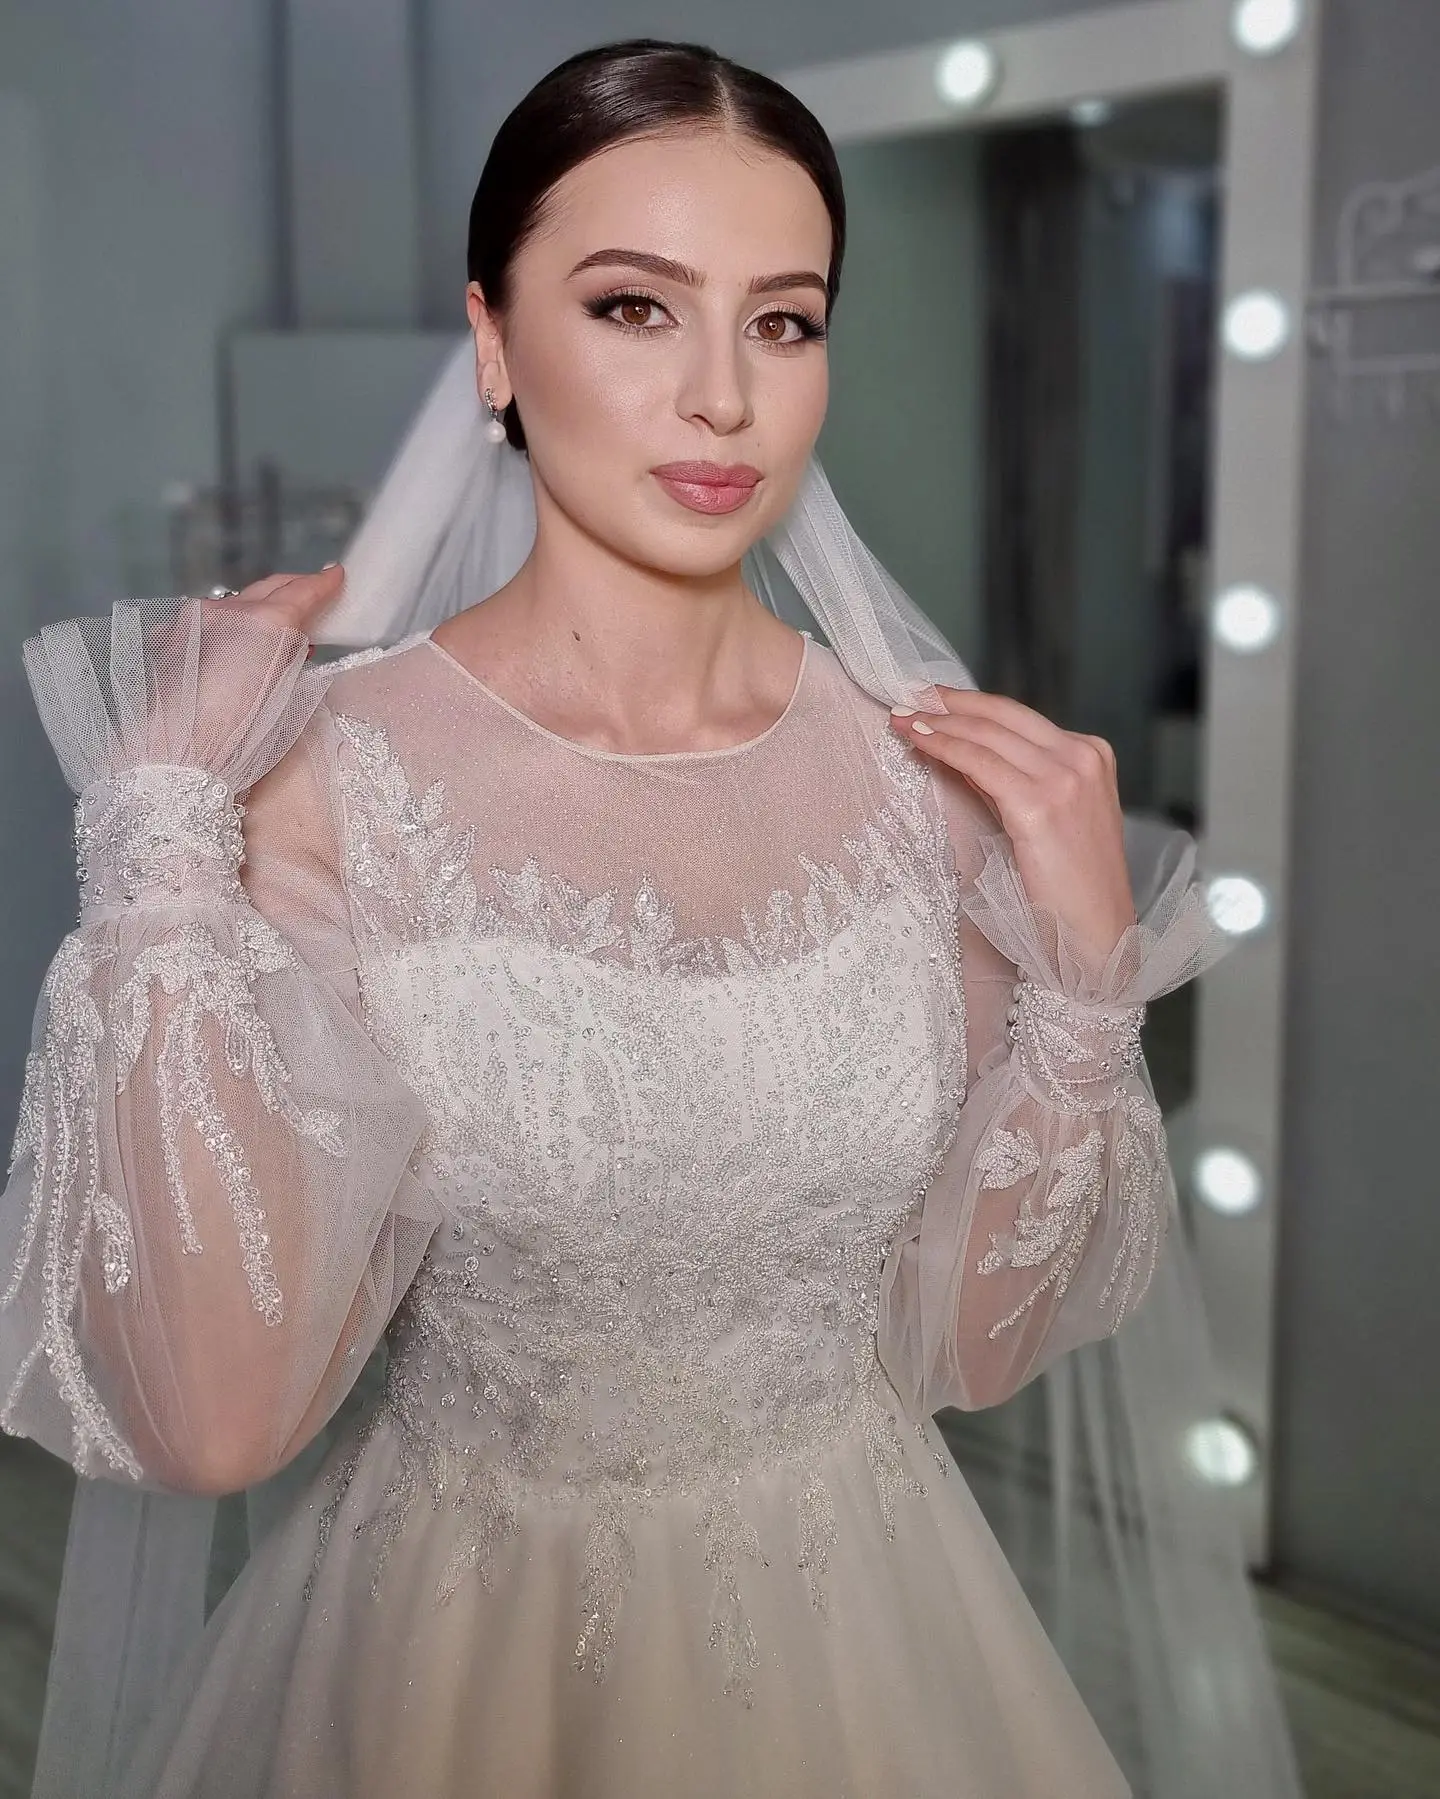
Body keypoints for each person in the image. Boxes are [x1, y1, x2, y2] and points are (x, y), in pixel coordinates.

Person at [0, 38, 1298, 1799]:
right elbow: (220, 1420)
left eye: (784, 321)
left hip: (866, 1634)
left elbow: (978, 1349)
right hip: (454, 1657)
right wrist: (161, 835)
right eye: (633, 307)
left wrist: (1086, 986)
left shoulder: (933, 786)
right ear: (492, 341)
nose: (723, 398)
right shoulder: (314, 786)